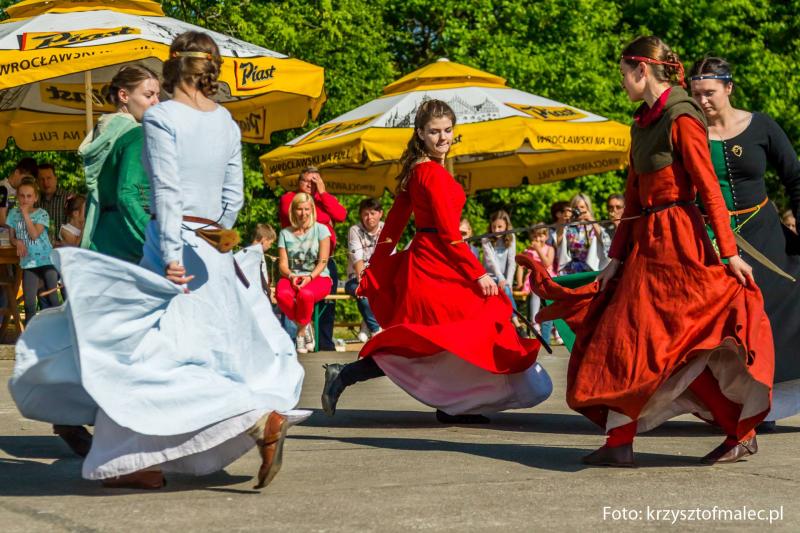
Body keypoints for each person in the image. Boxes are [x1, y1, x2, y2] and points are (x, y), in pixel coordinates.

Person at [9, 31, 306, 490]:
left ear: (173, 68)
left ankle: (240, 423)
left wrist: (171, 250)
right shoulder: (226, 122)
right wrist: (212, 236)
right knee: (201, 353)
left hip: (173, 244)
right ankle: (138, 458)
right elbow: (234, 198)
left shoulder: (162, 117)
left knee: (147, 358)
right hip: (215, 246)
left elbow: (165, 192)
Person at [522, 35, 773, 467]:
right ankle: (624, 440)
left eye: (623, 74)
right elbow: (633, 202)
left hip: (680, 245)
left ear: (642, 70)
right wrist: (614, 260)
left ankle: (731, 429)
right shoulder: (640, 125)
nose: (621, 82)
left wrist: (729, 254)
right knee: (633, 344)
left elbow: (709, 190)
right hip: (645, 248)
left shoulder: (682, 117)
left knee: (661, 346)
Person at [321, 99, 551, 424]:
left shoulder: (418, 171)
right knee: (465, 328)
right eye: (434, 132)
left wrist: (376, 268)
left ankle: (452, 404)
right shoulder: (430, 173)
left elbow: (395, 224)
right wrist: (478, 274)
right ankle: (347, 375)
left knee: (442, 337)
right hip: (437, 263)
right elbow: (445, 232)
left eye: (447, 130)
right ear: (420, 133)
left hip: (430, 260)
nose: (443, 137)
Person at [690, 56, 800, 428]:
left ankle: (773, 400)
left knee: (779, 313)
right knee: (727, 328)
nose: (703, 101)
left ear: (729, 88)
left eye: (709, 93)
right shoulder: (688, 133)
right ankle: (740, 404)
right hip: (712, 242)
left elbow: (795, 178)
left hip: (766, 236)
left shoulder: (762, 126)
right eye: (696, 94)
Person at [79, 64, 159, 264]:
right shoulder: (138, 134)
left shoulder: (105, 133)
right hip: (128, 246)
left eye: (158, 95)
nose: (156, 102)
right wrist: (157, 240)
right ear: (124, 95)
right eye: (149, 96)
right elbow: (128, 194)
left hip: (101, 240)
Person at [279, 167, 346, 350]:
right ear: (298, 182)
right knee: (294, 297)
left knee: (328, 302)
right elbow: (297, 216)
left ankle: (325, 343)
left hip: (324, 261)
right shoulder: (290, 198)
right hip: (297, 262)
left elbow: (341, 215)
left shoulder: (323, 198)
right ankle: (297, 337)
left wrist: (323, 193)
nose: (310, 184)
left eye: (314, 181)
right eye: (306, 181)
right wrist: (326, 220)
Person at [276, 193, 333, 354]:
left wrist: (309, 277)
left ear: (312, 210)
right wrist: (291, 275)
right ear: (293, 211)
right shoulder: (285, 233)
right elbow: (283, 264)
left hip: (318, 276)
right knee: (282, 295)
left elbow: (323, 261)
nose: (303, 213)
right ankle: (305, 324)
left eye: (307, 209)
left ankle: (300, 333)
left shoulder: (321, 230)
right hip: (292, 276)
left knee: (305, 294)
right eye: (299, 209)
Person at [7, 179, 60, 324]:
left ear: (35, 197)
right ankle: (29, 340)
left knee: (53, 299)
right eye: (22, 196)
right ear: (17, 196)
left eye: (29, 196)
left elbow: (34, 234)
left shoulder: (42, 214)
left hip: (46, 261)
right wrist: (16, 241)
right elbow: (11, 237)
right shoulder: (12, 214)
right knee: (29, 304)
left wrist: (25, 215)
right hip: (28, 263)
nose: (25, 199)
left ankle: (62, 333)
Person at [346, 197, 384, 342]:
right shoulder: (355, 230)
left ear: (380, 213)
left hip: (380, 277)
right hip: (356, 277)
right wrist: (364, 283)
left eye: (373, 213)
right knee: (363, 292)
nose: (369, 218)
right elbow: (358, 260)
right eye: (365, 214)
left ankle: (367, 324)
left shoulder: (386, 228)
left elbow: (390, 256)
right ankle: (376, 332)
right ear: (361, 215)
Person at [481, 209, 523, 331]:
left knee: (506, 289)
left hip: (503, 278)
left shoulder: (511, 237)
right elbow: (491, 262)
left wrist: (508, 281)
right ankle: (517, 323)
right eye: (494, 227)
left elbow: (511, 262)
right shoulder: (486, 239)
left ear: (506, 226)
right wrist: (501, 279)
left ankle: (512, 324)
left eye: (500, 227)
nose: (496, 230)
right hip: (490, 277)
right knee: (504, 289)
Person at [515, 226, 555, 343]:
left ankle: (554, 329)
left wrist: (538, 250)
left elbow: (547, 263)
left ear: (546, 236)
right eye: (535, 236)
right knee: (534, 290)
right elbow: (520, 267)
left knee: (551, 297)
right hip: (533, 279)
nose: (538, 238)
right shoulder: (528, 251)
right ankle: (534, 321)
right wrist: (520, 283)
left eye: (541, 235)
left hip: (547, 277)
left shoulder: (549, 249)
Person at [557, 193, 610, 274]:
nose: (579, 210)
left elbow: (604, 240)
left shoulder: (594, 227)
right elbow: (557, 242)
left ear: (588, 208)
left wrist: (591, 220)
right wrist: (562, 222)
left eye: (582, 207)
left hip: (591, 269)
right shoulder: (568, 227)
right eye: (576, 208)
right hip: (571, 271)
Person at [36, 163, 72, 243]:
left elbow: (74, 229)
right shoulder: (33, 200)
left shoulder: (68, 198)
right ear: (37, 182)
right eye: (42, 179)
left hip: (62, 250)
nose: (45, 183)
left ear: (56, 179)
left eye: (49, 178)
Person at [0, 157, 37, 225]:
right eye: (25, 178)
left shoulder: (21, 191)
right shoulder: (3, 188)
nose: (26, 182)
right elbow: (2, 220)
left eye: (30, 180)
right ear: (17, 172)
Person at [252, 223, 277, 292]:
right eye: (270, 243)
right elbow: (260, 276)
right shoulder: (255, 255)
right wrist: (268, 291)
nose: (270, 246)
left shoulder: (258, 253)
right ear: (264, 240)